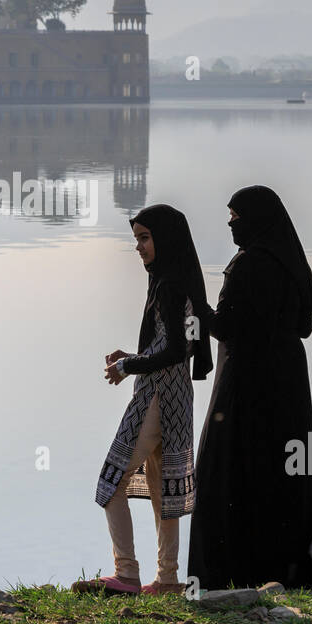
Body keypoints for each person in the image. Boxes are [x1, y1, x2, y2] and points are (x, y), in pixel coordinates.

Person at [73, 204, 213, 596]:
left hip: (156, 395)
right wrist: (131, 356)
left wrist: (128, 366)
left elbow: (173, 351)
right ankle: (167, 578)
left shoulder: (169, 284)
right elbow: (176, 343)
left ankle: (128, 573)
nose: (139, 247)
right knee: (161, 488)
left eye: (145, 238)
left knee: (111, 481)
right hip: (178, 397)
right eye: (136, 238)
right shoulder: (179, 279)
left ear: (166, 239)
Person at [188, 185, 312, 590]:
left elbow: (224, 326)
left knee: (229, 465)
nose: (230, 224)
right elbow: (305, 326)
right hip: (288, 380)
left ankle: (228, 571)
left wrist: (195, 306)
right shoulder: (290, 262)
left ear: (254, 218)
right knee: (283, 468)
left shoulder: (246, 265)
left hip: (246, 379)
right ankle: (283, 568)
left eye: (235, 216)